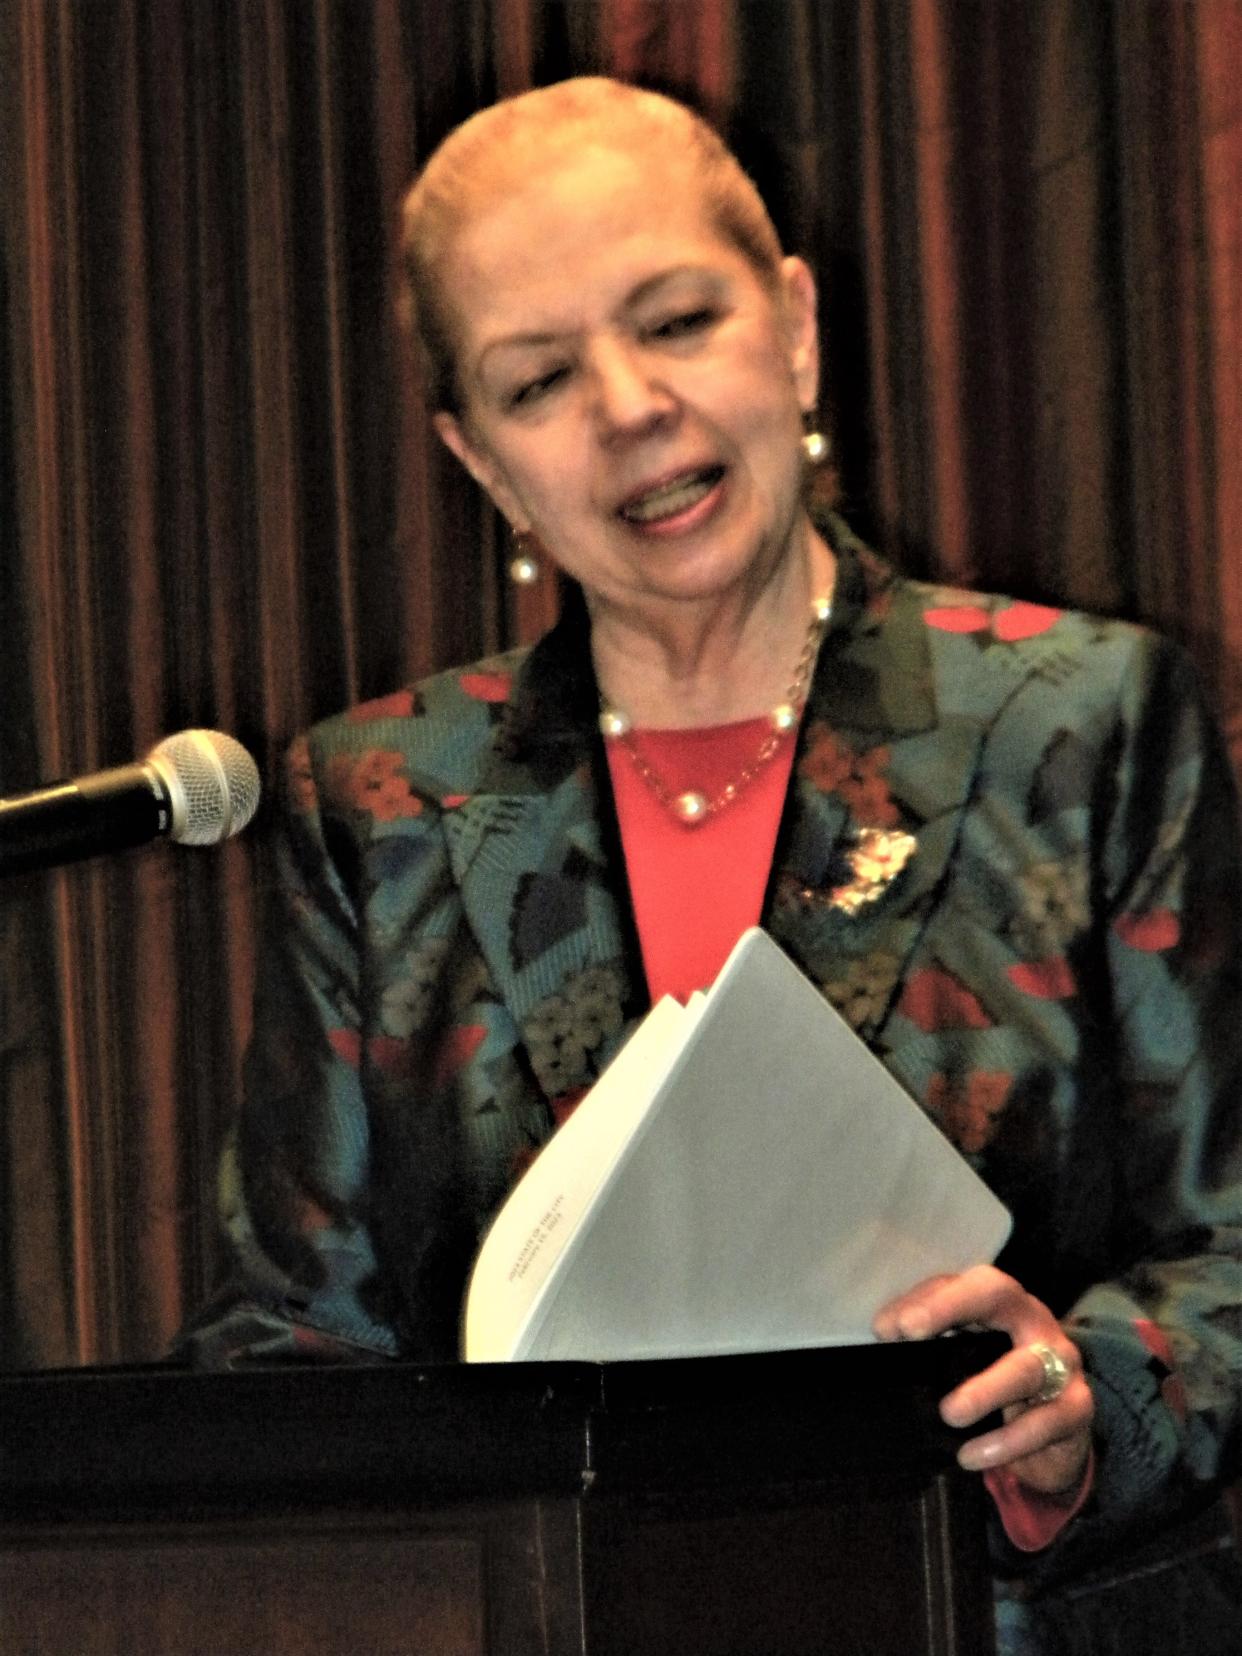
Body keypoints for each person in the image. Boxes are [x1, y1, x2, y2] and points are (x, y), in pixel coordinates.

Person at [184, 77, 1242, 1654]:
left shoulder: (1077, 724)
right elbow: (286, 1350)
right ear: (478, 461)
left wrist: (1086, 1401)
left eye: (677, 321)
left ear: (794, 328)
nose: (627, 407)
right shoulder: (385, 801)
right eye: (540, 380)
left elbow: (1228, 1248)